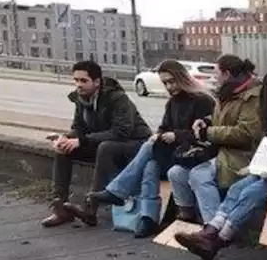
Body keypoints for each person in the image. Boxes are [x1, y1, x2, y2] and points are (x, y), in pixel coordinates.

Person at [174, 71, 267, 260]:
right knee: (237, 188)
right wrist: (258, 167)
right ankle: (210, 230)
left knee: (252, 192)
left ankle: (219, 240)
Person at [87, 60, 217, 238]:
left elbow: (205, 133)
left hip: (195, 154)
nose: (169, 86)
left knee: (149, 149)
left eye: (172, 81)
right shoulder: (172, 103)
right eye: (165, 83)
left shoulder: (202, 100)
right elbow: (164, 127)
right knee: (150, 164)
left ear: (182, 78)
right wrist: (161, 135)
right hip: (175, 153)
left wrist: (176, 135)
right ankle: (147, 218)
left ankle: (119, 193)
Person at [42, 59, 153, 228]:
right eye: (76, 80)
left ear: (97, 82)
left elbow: (121, 132)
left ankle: (90, 208)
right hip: (104, 143)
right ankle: (60, 206)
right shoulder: (81, 99)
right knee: (63, 150)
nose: (79, 85)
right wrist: (65, 137)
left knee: (105, 147)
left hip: (134, 145)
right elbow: (78, 128)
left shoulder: (117, 98)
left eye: (83, 81)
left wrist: (82, 140)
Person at [167, 55, 262, 224]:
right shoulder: (228, 93)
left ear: (226, 74)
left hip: (241, 156)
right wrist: (206, 121)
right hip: (221, 152)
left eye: (216, 73)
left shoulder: (251, 98)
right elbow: (223, 118)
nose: (214, 77)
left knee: (199, 174)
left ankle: (212, 228)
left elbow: (246, 133)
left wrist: (208, 132)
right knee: (176, 173)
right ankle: (187, 216)